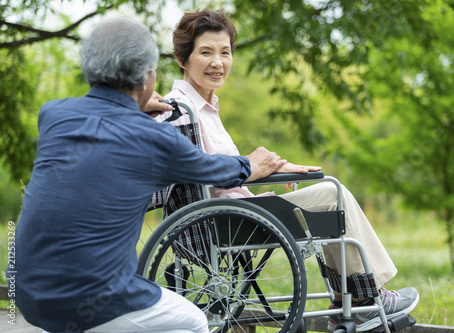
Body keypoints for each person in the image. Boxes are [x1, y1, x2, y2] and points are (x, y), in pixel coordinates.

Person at [11, 17, 287, 333]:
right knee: (195, 322)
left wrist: (135, 106)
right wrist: (250, 164)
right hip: (94, 298)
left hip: (27, 292)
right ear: (147, 76)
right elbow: (213, 171)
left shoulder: (54, 114)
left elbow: (105, 123)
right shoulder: (155, 139)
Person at [155, 9, 420, 332]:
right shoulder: (181, 109)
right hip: (227, 221)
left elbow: (223, 167)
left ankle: (349, 299)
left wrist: (275, 168)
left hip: (236, 213)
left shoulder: (204, 106)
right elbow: (198, 171)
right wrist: (253, 168)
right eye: (206, 52)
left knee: (326, 188)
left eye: (225, 52)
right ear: (183, 59)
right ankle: (365, 299)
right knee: (332, 192)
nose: (218, 62)